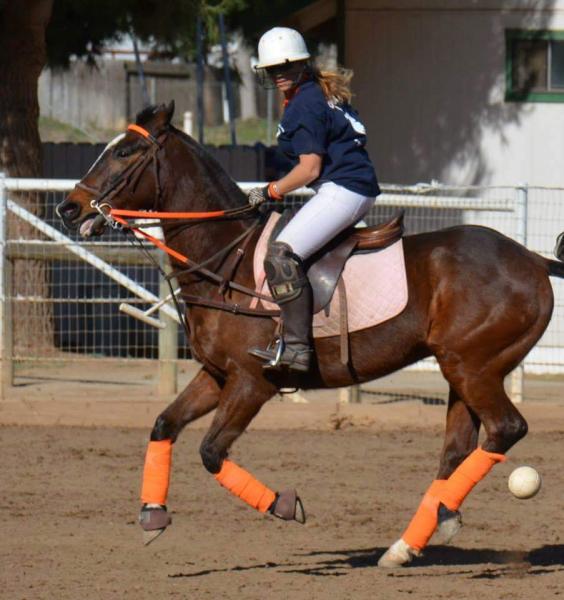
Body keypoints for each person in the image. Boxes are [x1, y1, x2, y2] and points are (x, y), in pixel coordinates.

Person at [247, 27, 381, 373]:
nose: (279, 76)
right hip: (348, 188)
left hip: (342, 190)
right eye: (273, 70)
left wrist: (269, 191)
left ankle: (296, 349)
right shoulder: (316, 92)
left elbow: (309, 169)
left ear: (304, 65)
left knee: (280, 256)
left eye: (286, 68)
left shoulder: (305, 104)